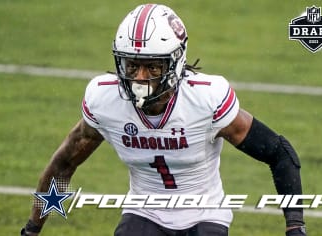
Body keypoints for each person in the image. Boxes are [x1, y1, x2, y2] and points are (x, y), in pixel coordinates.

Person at [21, 3, 306, 236]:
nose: (139, 78)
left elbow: (279, 153)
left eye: (152, 66)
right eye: (132, 65)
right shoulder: (104, 100)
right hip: (143, 211)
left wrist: (295, 226)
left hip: (204, 213)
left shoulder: (205, 99)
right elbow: (64, 164)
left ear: (175, 63)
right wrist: (32, 229)